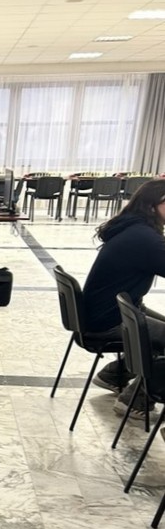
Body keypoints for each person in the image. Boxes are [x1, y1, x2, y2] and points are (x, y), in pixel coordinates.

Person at [82, 178, 165, 419]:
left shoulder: (133, 228)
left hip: (106, 313)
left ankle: (114, 374)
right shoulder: (143, 238)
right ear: (152, 206)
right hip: (109, 321)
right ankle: (134, 400)